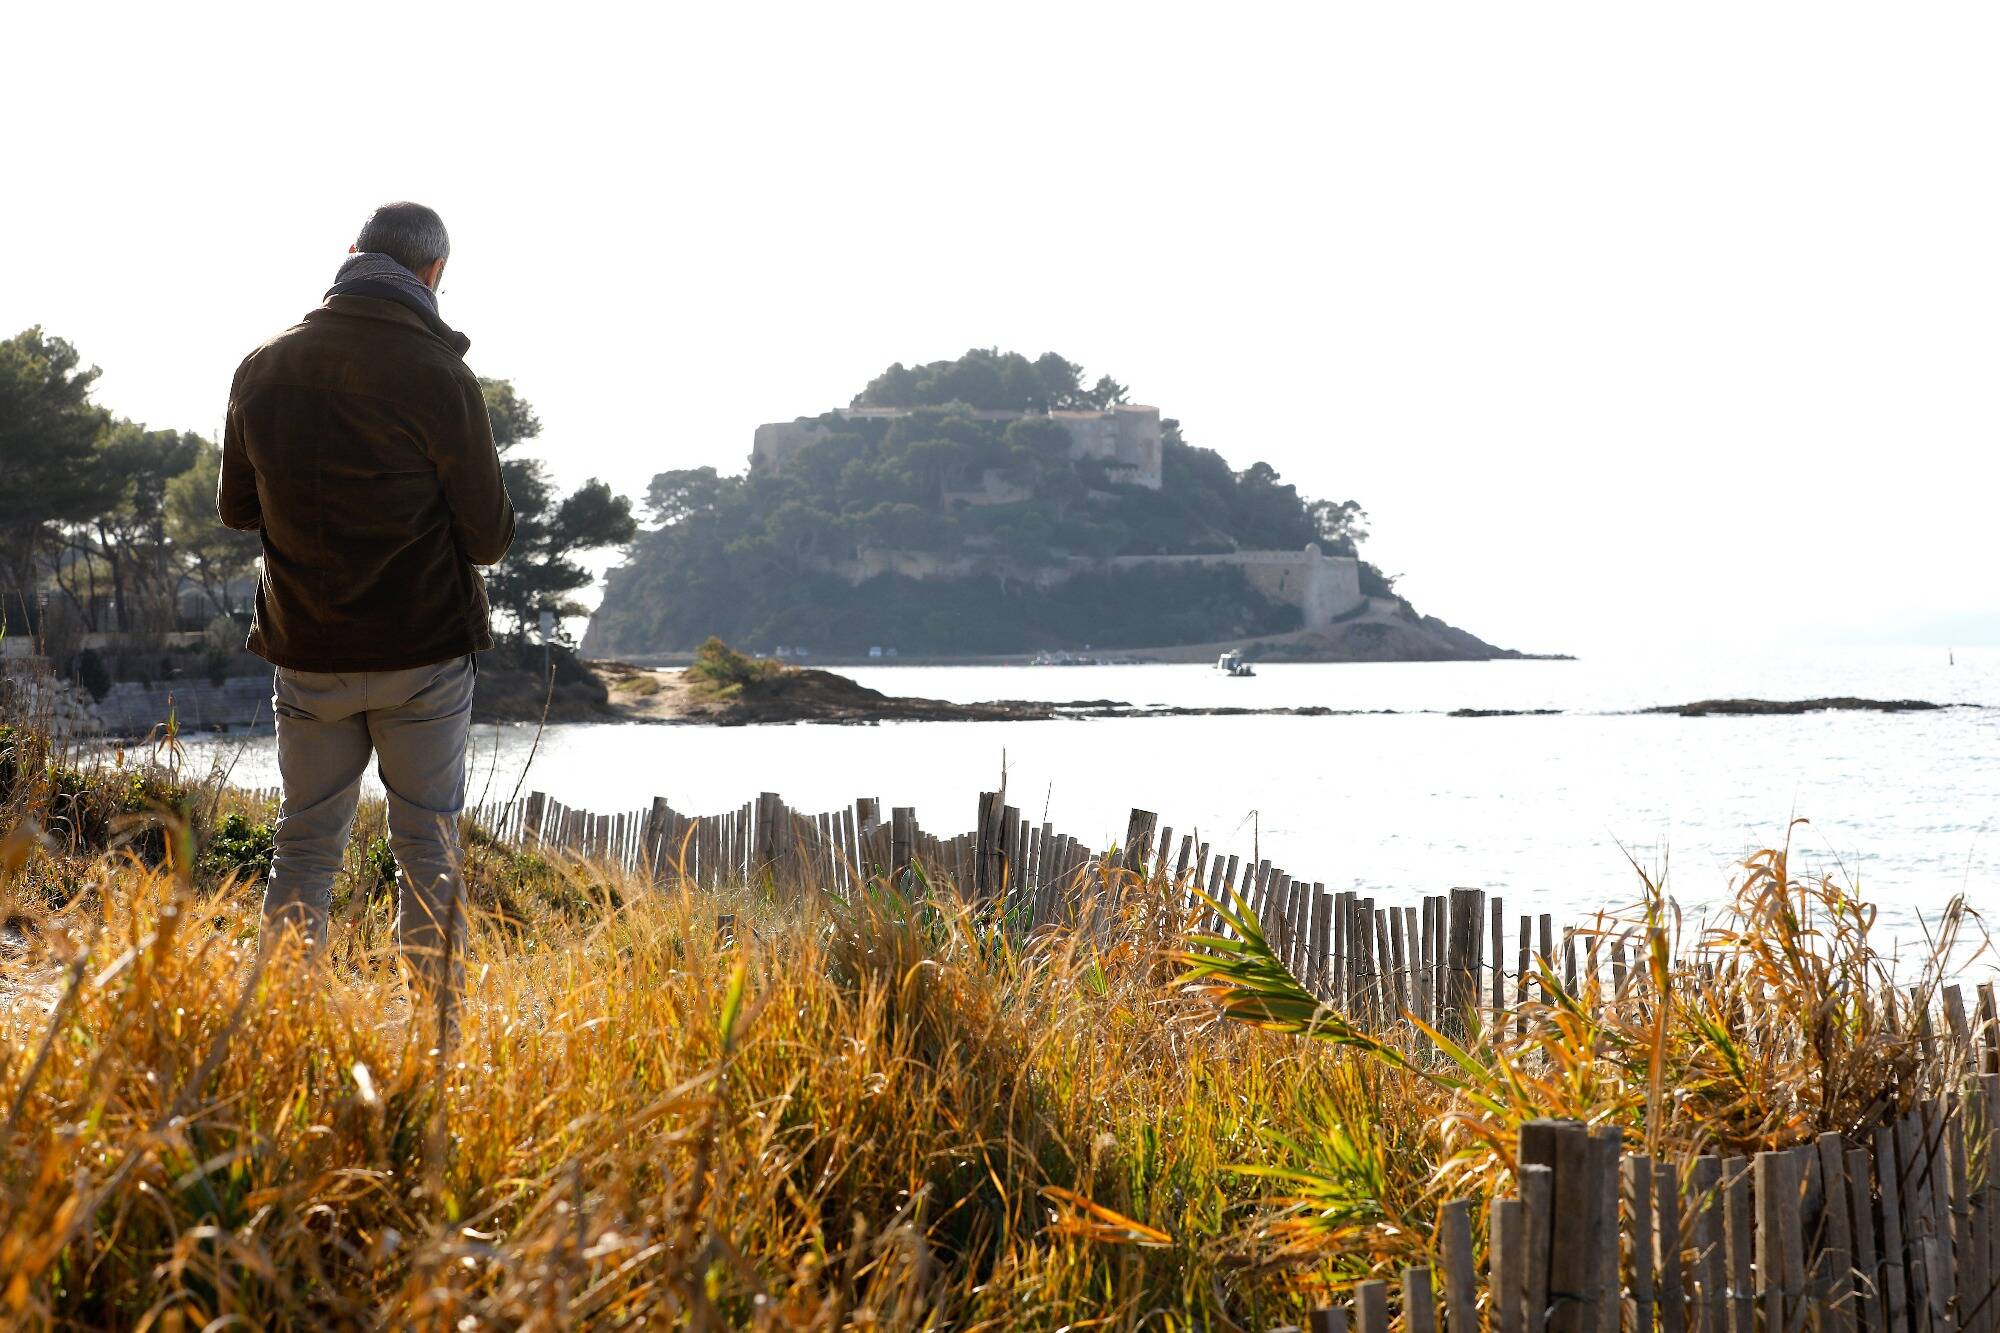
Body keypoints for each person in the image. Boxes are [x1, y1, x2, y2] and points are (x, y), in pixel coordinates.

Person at [218, 201, 514, 1033]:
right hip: (421, 653)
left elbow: (237, 508)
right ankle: (434, 1034)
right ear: (434, 276)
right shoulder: (440, 375)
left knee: (303, 847)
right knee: (428, 849)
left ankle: (281, 1029)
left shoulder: (263, 366)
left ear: (352, 254)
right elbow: (488, 538)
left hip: (307, 648)